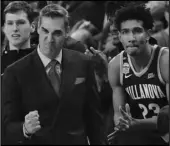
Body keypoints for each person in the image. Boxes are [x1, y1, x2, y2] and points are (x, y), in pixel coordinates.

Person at [2, 4, 108, 145]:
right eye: (45, 31)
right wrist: (24, 129)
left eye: (57, 33)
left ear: (66, 32)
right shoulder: (15, 72)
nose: (50, 39)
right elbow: (6, 128)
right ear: (38, 29)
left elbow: (94, 118)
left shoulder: (82, 62)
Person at [108, 4, 169, 145]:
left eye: (137, 31)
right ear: (119, 36)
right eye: (125, 32)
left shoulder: (165, 60)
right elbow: (119, 114)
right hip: (139, 134)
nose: (131, 38)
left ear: (148, 34)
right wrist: (122, 124)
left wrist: (137, 123)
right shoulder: (116, 65)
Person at [1, 1, 36, 74]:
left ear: (32, 27)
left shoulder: (45, 61)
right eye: (10, 23)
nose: (15, 28)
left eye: (20, 23)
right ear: (4, 28)